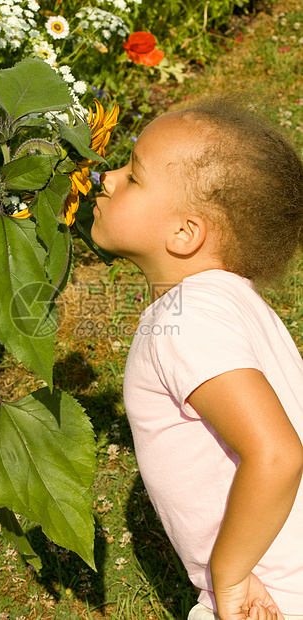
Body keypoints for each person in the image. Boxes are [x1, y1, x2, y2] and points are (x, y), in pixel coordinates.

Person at [90, 97, 303, 620]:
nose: (106, 177)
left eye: (133, 176)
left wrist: (228, 576)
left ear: (185, 233)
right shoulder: (233, 302)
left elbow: (277, 455)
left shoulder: (185, 320)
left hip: (264, 594)